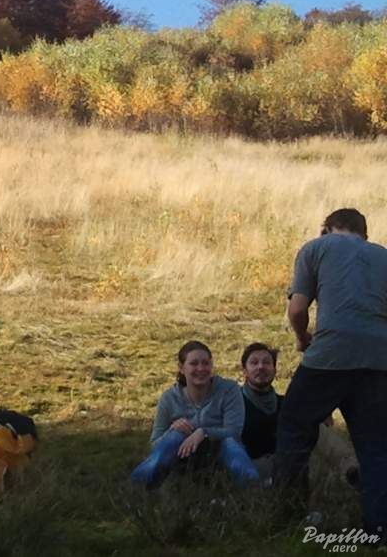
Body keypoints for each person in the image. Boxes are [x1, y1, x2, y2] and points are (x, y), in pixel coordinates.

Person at [274, 208, 387, 536]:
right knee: (376, 445)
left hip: (330, 354)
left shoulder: (315, 248)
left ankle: (288, 518)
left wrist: (302, 338)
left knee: (294, 424)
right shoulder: (383, 256)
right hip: (378, 359)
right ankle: (378, 528)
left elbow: (297, 309)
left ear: (327, 228)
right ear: (364, 234)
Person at [130, 340, 259, 490]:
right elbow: (155, 444)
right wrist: (172, 430)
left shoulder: (228, 390)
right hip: (182, 457)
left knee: (230, 442)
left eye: (206, 363)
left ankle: (253, 488)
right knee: (175, 436)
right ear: (181, 368)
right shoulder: (169, 398)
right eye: (194, 363)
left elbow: (234, 431)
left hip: (219, 452)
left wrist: (203, 432)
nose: (201, 368)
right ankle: (137, 486)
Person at [239, 341, 358, 486]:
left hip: (286, 462)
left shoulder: (286, 403)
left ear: (274, 370)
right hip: (250, 467)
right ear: (244, 371)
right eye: (254, 363)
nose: (261, 367)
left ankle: (352, 469)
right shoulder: (234, 402)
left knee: (315, 427)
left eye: (266, 362)